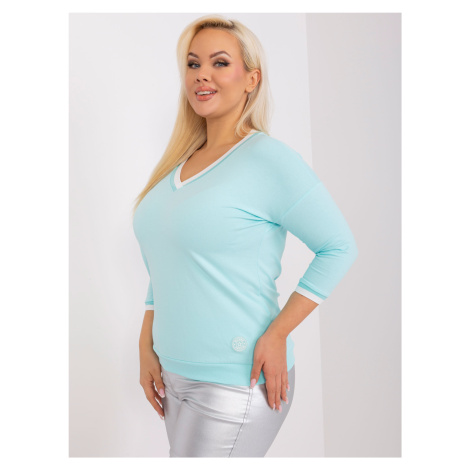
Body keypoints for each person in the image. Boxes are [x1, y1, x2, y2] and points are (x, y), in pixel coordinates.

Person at [132, 14, 358, 458]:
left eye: (220, 62)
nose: (202, 75)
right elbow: (168, 261)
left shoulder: (268, 160)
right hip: (173, 375)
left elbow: (338, 247)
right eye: (193, 64)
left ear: (252, 79)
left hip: (236, 379)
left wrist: (277, 334)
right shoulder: (177, 166)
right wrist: (146, 340)